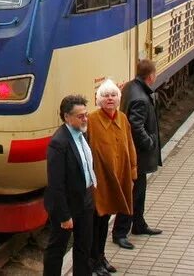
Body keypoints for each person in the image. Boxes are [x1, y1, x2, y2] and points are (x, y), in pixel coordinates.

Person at [88, 80, 137, 276]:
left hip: (117, 179)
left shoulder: (123, 118)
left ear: (118, 99)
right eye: (105, 95)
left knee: (105, 219)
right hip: (99, 182)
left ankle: (101, 256)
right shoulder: (91, 120)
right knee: (96, 222)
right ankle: (94, 261)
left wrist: (133, 170)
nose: (110, 98)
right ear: (99, 100)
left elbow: (130, 144)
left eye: (113, 95)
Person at [43, 94, 96, 276]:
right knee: (57, 249)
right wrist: (64, 216)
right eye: (80, 116)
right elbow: (55, 184)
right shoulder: (59, 143)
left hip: (86, 199)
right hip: (67, 204)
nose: (85, 119)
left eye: (86, 114)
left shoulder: (82, 133)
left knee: (83, 246)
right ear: (67, 117)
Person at [112, 59, 163, 245]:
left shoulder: (131, 87)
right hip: (137, 155)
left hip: (135, 153)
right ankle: (120, 232)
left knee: (138, 191)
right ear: (151, 76)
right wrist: (149, 142)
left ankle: (139, 223)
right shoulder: (141, 98)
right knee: (132, 192)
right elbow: (136, 125)